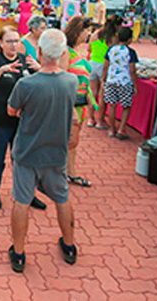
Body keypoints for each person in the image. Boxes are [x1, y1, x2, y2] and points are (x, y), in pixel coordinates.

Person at [6, 29, 79, 271]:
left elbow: (11, 111)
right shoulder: (71, 81)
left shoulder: (27, 84)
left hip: (27, 152)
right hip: (56, 153)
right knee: (62, 197)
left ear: (39, 51)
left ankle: (18, 252)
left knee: (22, 200)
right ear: (63, 53)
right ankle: (69, 245)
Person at [0, 26, 46, 211]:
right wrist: (2, 70)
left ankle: (27, 193)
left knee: (22, 159)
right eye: (9, 41)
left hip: (22, 120)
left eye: (16, 41)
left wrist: (39, 68)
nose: (13, 45)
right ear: (0, 43)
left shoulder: (26, 61)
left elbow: (43, 84)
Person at [64, 16, 96, 187]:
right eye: (87, 31)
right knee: (70, 140)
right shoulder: (66, 52)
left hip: (82, 101)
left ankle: (70, 172)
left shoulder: (81, 50)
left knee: (74, 141)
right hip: (70, 102)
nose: (89, 35)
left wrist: (90, 98)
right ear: (78, 31)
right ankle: (62, 172)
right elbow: (60, 76)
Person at [102, 27, 138, 139]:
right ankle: (122, 129)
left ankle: (112, 129)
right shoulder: (131, 52)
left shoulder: (111, 50)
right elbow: (132, 70)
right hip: (125, 82)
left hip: (111, 80)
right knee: (126, 106)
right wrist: (135, 85)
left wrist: (103, 79)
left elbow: (105, 66)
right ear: (129, 40)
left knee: (112, 105)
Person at [88, 14, 122, 129]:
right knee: (103, 95)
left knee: (93, 93)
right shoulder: (113, 38)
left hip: (92, 63)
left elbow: (89, 48)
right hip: (105, 66)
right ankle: (100, 120)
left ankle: (90, 118)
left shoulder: (95, 34)